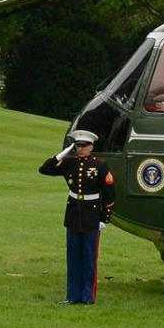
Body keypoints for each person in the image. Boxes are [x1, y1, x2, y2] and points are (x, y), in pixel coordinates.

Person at [40, 129, 113, 304]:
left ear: (91, 146)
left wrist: (104, 218)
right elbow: (44, 169)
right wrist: (63, 153)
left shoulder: (100, 165)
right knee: (73, 257)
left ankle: (87, 297)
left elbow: (109, 193)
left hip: (91, 214)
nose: (81, 149)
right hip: (74, 214)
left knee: (89, 257)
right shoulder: (69, 163)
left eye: (84, 146)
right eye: (78, 145)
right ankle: (72, 296)